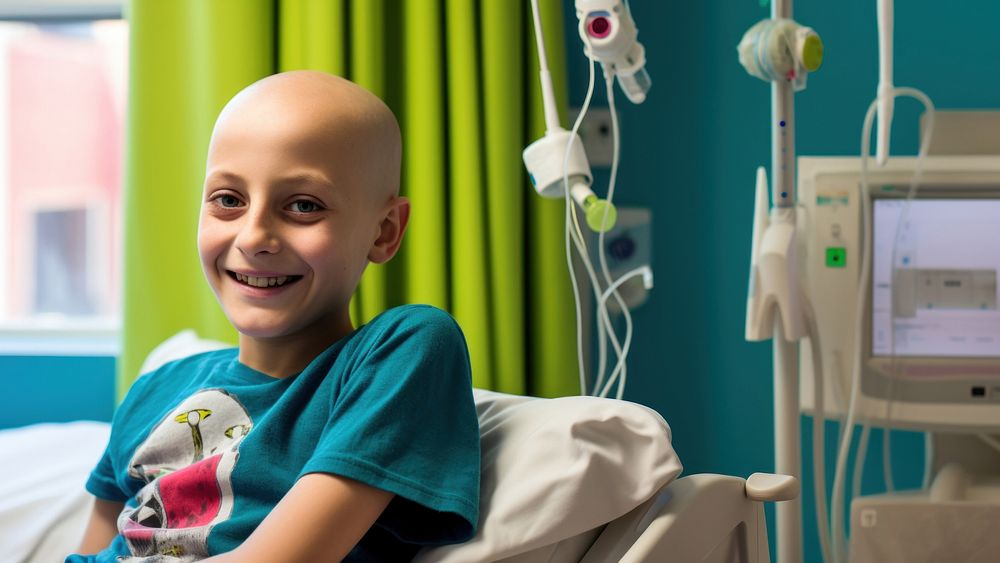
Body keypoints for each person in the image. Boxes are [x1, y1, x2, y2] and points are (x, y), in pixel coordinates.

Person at [67, 70, 481, 562]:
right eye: (228, 200)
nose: (253, 236)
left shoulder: (404, 349)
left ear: (384, 231)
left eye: (303, 206)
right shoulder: (156, 388)